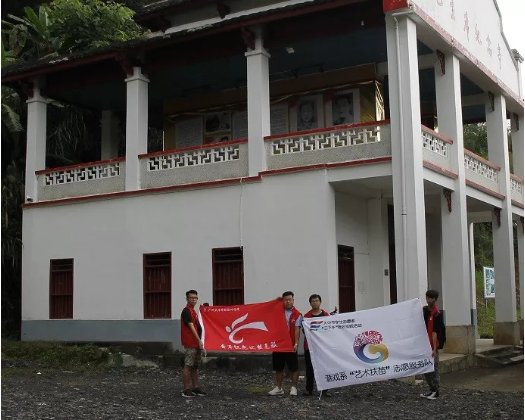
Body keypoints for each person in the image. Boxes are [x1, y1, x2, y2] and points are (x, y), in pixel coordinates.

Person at [268, 291, 303, 396]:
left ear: (293, 300)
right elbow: (267, 309)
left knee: (294, 367)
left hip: (290, 344)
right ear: (282, 301)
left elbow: (297, 329)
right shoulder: (278, 311)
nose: (288, 302)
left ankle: (294, 387)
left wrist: (296, 343)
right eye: (285, 300)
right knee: (278, 367)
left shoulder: (297, 314)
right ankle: (278, 387)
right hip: (278, 344)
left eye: (290, 300)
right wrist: (276, 301)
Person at [302, 294, 331, 397]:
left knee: (324, 368)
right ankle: (309, 389)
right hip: (310, 347)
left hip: (323, 347)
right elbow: (304, 331)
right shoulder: (307, 316)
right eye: (313, 301)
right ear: (310, 303)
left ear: (320, 302)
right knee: (310, 369)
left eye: (317, 300)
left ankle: (325, 390)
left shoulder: (326, 315)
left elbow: (329, 330)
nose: (315, 302)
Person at [180, 290, 207, 398]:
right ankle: (186, 389)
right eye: (192, 298)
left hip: (197, 344)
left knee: (195, 366)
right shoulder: (186, 311)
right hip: (190, 342)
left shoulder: (194, 312)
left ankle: (196, 388)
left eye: (195, 298)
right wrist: (199, 340)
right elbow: (191, 327)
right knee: (188, 365)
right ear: (187, 299)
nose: (194, 300)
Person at [420, 289, 444, 400]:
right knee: (426, 369)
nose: (429, 300)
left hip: (432, 345)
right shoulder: (424, 310)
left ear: (435, 299)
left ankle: (436, 391)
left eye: (432, 298)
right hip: (423, 344)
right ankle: (431, 390)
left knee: (434, 369)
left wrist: (434, 349)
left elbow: (435, 332)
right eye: (428, 297)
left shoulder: (437, 314)